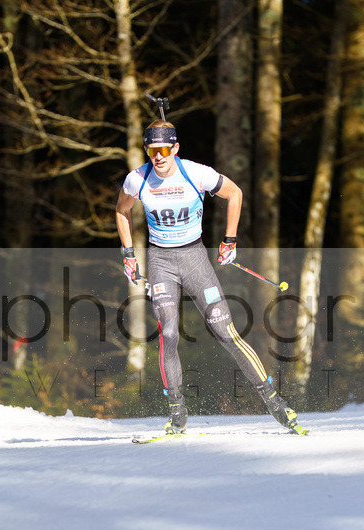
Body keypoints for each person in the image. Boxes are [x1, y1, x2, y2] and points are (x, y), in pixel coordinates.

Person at [115, 119, 307, 436]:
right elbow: (122, 211)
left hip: (194, 260)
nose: (158, 157)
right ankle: (177, 413)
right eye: (151, 151)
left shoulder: (196, 173)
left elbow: (235, 193)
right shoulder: (138, 179)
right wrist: (128, 254)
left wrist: (229, 241)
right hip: (161, 261)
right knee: (170, 334)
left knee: (226, 333)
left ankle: (275, 403)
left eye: (163, 150)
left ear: (175, 148)